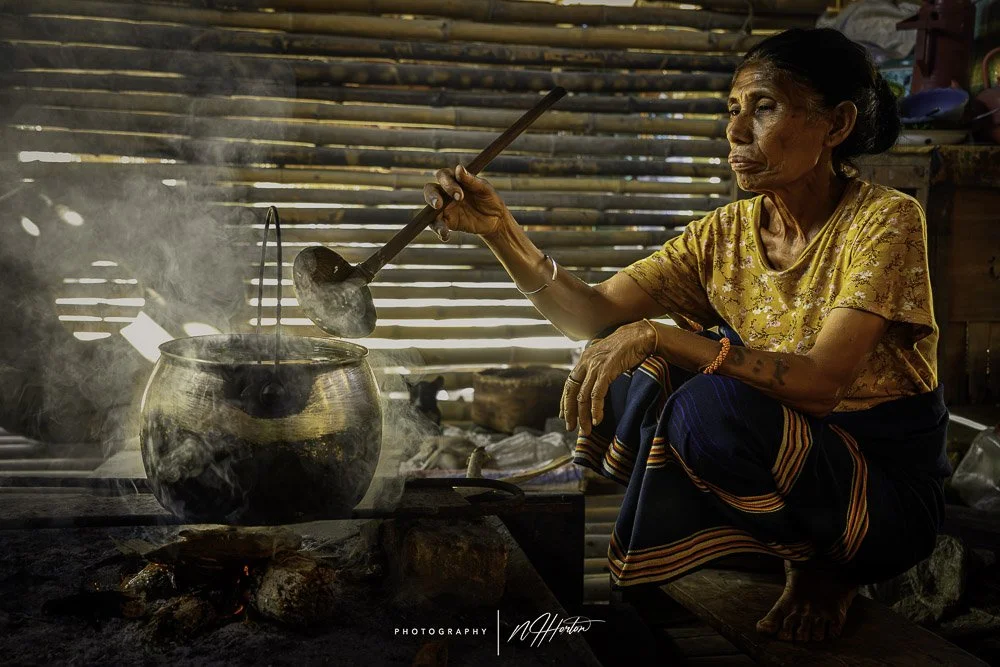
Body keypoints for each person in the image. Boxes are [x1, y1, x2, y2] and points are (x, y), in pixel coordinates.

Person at [423, 28, 950, 642]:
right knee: (629, 367)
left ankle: (825, 570)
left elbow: (822, 384)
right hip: (787, 456)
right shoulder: (723, 234)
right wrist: (499, 231)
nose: (735, 132)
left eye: (764, 108)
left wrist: (663, 335)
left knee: (703, 401)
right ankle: (759, 545)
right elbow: (590, 315)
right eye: (732, 111)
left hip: (877, 494)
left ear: (835, 125)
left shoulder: (885, 219)